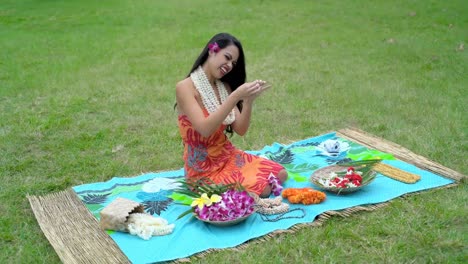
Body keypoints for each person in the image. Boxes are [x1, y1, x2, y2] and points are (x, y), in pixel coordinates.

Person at [175, 32, 287, 197]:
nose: (229, 65)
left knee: (280, 173)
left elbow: (240, 130)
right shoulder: (185, 87)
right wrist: (235, 96)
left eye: (233, 63)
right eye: (226, 57)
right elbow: (204, 129)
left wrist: (248, 101)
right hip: (202, 170)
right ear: (212, 50)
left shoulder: (224, 87)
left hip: (228, 156)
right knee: (262, 189)